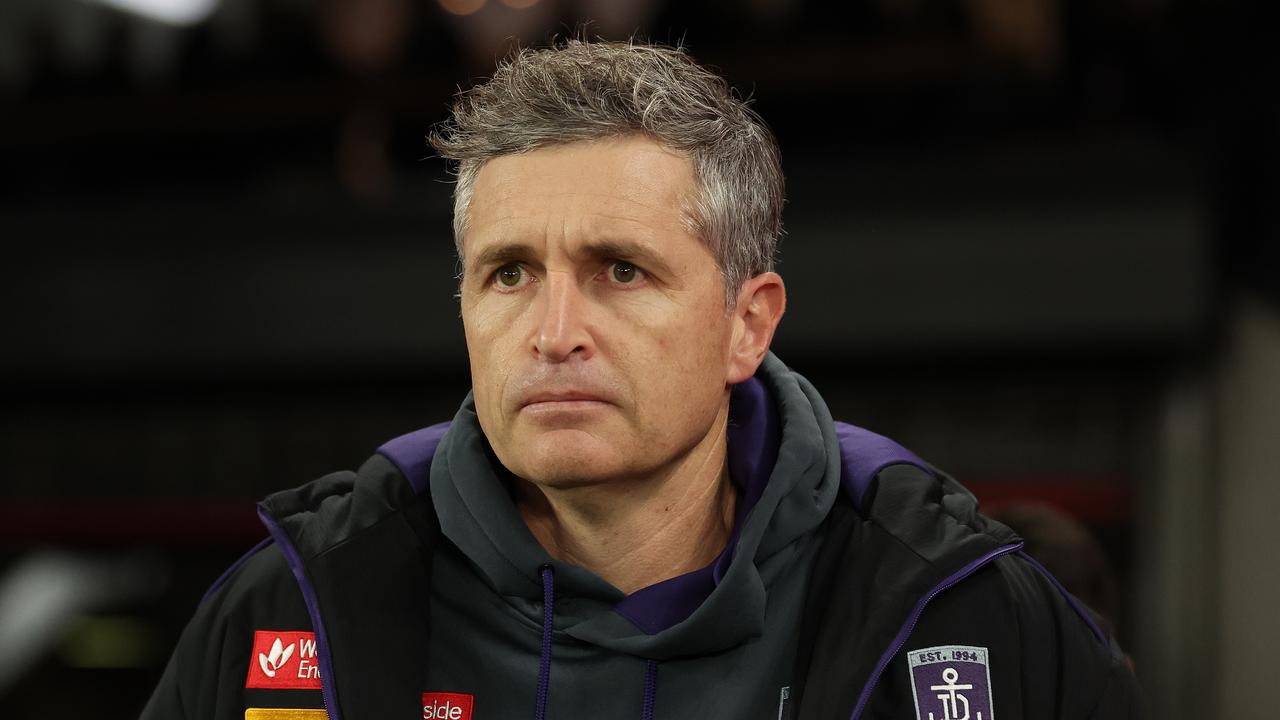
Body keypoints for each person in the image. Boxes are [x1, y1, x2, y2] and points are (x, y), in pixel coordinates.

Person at [141, 39, 1139, 720]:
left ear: (745, 325)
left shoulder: (963, 613)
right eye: (508, 273)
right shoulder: (292, 608)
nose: (553, 331)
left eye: (619, 270)